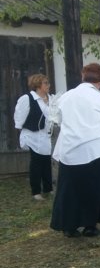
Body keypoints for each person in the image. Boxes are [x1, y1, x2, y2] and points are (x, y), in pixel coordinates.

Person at [50, 63, 100, 237]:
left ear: (83, 76)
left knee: (69, 191)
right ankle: (90, 225)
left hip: (69, 150)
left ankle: (69, 226)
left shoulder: (65, 97)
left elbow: (58, 120)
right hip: (95, 150)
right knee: (94, 190)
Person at [13, 73, 52, 201]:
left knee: (46, 162)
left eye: (48, 83)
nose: (48, 85)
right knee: (36, 162)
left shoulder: (50, 99)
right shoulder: (27, 98)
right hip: (32, 135)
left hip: (45, 136)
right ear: (38, 85)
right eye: (45, 83)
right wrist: (21, 126)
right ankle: (36, 192)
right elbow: (19, 115)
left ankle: (48, 188)